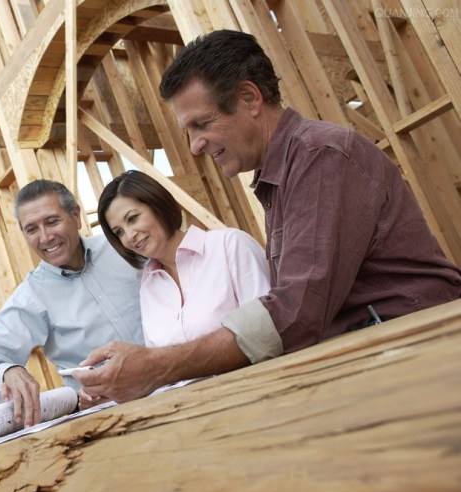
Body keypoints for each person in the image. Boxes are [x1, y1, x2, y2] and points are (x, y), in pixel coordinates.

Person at [74, 29, 461, 404]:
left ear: (249, 98)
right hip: (383, 355)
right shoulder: (283, 176)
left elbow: (296, 312)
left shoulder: (319, 157)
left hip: (424, 351)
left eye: (201, 124)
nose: (194, 146)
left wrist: (158, 366)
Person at [0, 179, 145, 427]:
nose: (45, 237)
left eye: (52, 221)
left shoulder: (123, 248)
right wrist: (6, 371)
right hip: (112, 418)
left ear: (76, 216)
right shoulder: (31, 297)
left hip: (180, 383)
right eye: (32, 229)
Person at [97, 169, 270, 348]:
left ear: (158, 205)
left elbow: (265, 333)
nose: (129, 235)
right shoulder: (148, 286)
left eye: (133, 218)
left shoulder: (230, 245)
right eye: (119, 232)